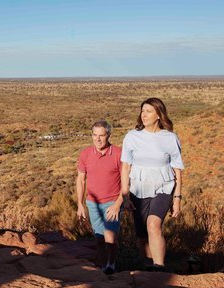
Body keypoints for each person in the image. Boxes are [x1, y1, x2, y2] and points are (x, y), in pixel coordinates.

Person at [120, 97, 184, 272]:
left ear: (159, 115)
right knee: (141, 238)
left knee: (153, 225)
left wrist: (177, 198)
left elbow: (177, 169)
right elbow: (125, 167)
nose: (144, 114)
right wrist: (125, 196)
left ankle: (159, 269)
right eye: (142, 111)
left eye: (148, 111)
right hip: (138, 189)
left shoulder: (170, 138)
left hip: (163, 187)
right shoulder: (132, 137)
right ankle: (148, 267)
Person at [76, 119, 123, 275]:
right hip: (93, 203)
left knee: (110, 237)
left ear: (108, 135)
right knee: (99, 239)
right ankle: (104, 268)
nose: (98, 139)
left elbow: (126, 182)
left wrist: (118, 204)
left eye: (101, 135)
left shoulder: (118, 153)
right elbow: (81, 179)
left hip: (112, 202)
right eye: (95, 135)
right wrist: (80, 205)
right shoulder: (85, 154)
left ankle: (111, 265)